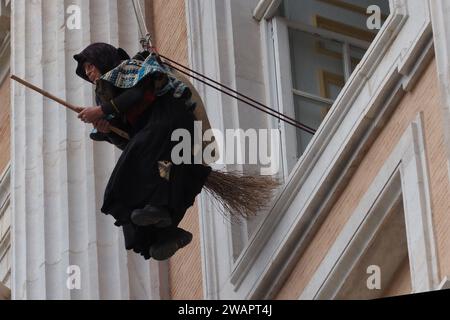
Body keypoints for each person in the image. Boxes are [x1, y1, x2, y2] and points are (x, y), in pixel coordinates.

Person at [73, 43, 212, 260]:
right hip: (151, 135)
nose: (89, 72)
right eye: (85, 70)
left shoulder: (128, 68)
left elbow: (137, 93)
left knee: (134, 165)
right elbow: (126, 136)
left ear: (101, 58)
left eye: (90, 65)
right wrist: (107, 129)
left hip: (168, 120)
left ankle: (157, 209)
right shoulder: (104, 96)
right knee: (130, 178)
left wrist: (102, 111)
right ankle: (163, 234)